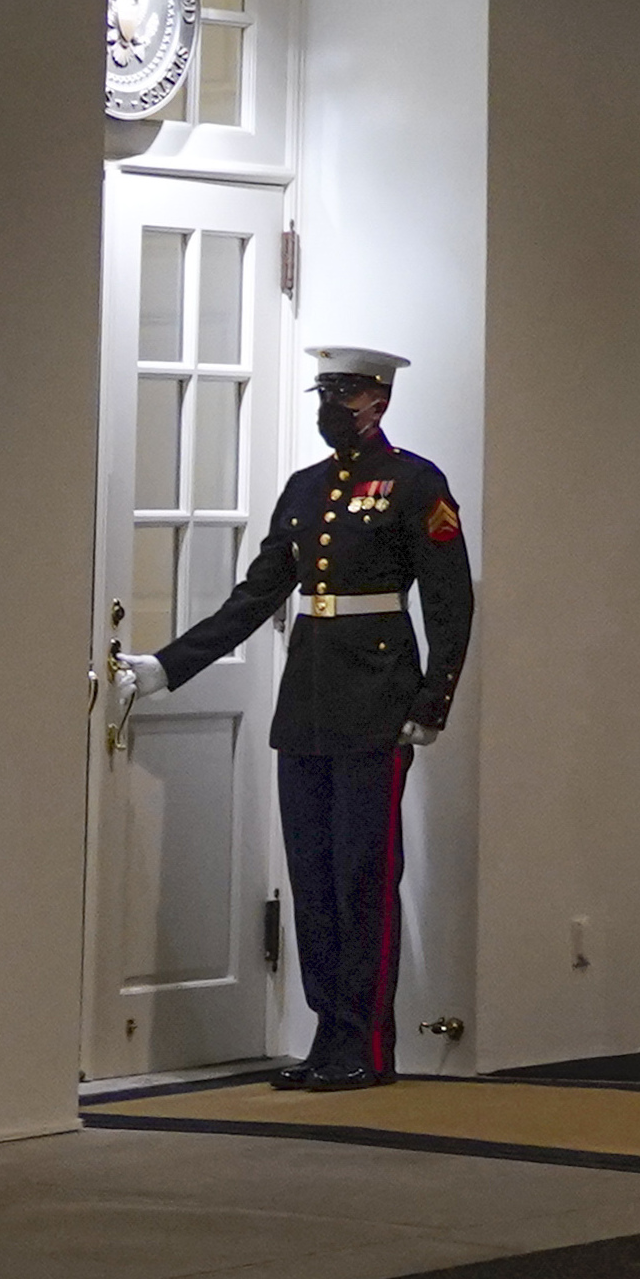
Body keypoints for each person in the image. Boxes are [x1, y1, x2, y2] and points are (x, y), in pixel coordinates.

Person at [114, 345, 474, 1090]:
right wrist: (168, 665)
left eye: (343, 392)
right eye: (324, 390)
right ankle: (326, 1037)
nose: (329, 404)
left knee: (362, 876)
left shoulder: (414, 481)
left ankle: (368, 1047)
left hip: (377, 698)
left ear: (378, 398)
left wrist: (430, 701)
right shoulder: (304, 488)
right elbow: (256, 596)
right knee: (312, 876)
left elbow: (447, 601)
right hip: (307, 699)